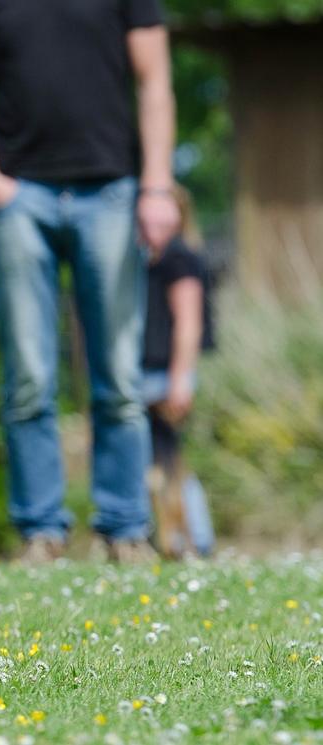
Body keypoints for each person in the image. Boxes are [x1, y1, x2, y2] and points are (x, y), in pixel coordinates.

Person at [0, 0, 181, 562]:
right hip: (20, 198)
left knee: (119, 375)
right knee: (30, 375)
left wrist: (156, 186)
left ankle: (125, 528)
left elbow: (155, 82)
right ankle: (41, 532)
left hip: (110, 192)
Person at [141, 186, 215, 557]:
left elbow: (189, 324)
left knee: (170, 465)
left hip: (162, 376)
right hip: (149, 373)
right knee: (158, 464)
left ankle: (194, 541)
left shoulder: (179, 258)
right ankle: (173, 540)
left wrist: (179, 379)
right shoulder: (152, 259)